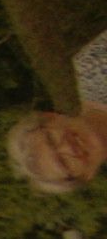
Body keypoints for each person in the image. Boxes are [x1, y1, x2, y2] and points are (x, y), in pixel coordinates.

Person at [7, 27, 107, 192]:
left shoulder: (95, 66)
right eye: (63, 162)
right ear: (86, 176)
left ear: (51, 117)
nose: (67, 148)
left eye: (51, 140)